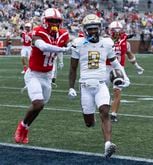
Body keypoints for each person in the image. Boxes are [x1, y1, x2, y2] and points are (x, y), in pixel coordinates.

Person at [68, 14, 128, 158]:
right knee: (89, 123)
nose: (93, 31)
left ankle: (108, 144)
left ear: (100, 28)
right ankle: (91, 119)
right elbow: (73, 68)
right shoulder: (78, 43)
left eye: (96, 28)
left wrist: (124, 76)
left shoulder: (107, 43)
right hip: (85, 86)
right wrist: (71, 87)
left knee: (104, 112)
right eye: (90, 29)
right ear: (85, 29)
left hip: (101, 84)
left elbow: (114, 62)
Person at [14, 8, 70, 144]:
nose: (54, 24)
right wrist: (63, 49)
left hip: (47, 76)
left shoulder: (63, 34)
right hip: (33, 74)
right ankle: (21, 127)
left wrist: (75, 45)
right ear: (45, 21)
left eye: (57, 21)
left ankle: (26, 127)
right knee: (37, 103)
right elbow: (43, 47)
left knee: (40, 106)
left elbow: (71, 45)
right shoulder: (38, 31)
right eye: (51, 20)